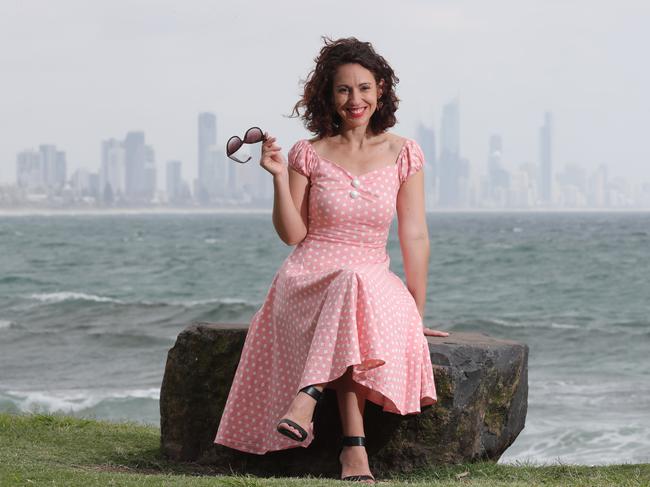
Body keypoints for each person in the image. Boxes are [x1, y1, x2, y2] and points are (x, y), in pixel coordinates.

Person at [214, 36, 450, 483]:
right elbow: (293, 235)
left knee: (353, 284)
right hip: (308, 276)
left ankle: (308, 402)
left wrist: (414, 314)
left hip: (368, 273)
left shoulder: (404, 153)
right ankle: (353, 450)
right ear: (329, 95)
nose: (354, 99)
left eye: (364, 87)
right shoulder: (309, 153)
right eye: (343, 89)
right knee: (346, 284)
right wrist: (280, 179)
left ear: (381, 89)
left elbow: (414, 235)